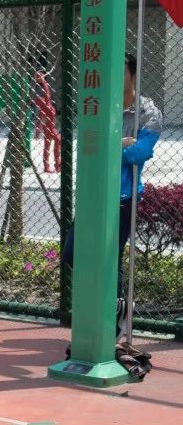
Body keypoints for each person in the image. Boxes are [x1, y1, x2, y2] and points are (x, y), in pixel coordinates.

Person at [61, 52, 162, 335]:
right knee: (72, 253)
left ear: (133, 75)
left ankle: (112, 317)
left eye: (120, 71)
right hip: (93, 192)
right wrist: (118, 143)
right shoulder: (99, 105)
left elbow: (139, 153)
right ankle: (110, 306)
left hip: (123, 195)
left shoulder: (148, 113)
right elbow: (89, 148)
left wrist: (109, 146)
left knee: (110, 257)